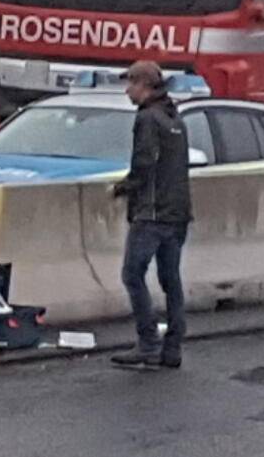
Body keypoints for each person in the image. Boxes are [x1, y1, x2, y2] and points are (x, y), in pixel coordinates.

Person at [109, 61, 192, 369]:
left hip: (152, 214)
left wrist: (123, 188)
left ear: (143, 85)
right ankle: (173, 348)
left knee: (133, 274)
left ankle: (147, 342)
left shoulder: (147, 118)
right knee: (170, 279)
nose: (128, 91)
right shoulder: (175, 118)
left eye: (130, 84)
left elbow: (144, 164)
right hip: (179, 213)